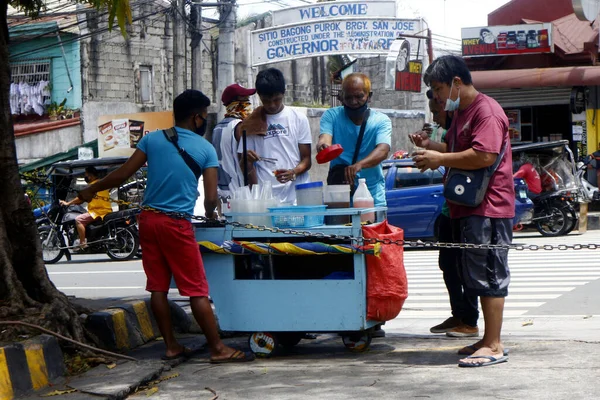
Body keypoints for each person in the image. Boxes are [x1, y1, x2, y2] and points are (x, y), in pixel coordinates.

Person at [79, 90, 254, 363]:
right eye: (204, 115)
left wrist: (93, 189)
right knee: (197, 289)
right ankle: (218, 349)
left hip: (147, 220)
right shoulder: (205, 148)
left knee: (158, 287)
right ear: (197, 117)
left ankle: (171, 346)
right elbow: (210, 198)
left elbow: (123, 174)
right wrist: (210, 213)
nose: (205, 119)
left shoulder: (152, 139)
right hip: (176, 224)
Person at [411, 55, 514, 367]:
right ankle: (486, 338)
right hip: (469, 207)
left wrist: (439, 160)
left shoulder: (487, 111)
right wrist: (432, 149)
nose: (437, 96)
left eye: (439, 88)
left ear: (456, 82)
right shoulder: (463, 114)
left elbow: (484, 156)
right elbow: (457, 151)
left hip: (489, 207)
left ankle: (494, 344)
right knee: (476, 276)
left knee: (490, 274)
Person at [419, 90, 480, 339]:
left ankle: (469, 320)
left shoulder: (461, 127)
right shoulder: (448, 131)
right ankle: (458, 313)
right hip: (449, 207)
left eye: (436, 111)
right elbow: (444, 150)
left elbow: (455, 153)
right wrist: (426, 147)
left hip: (464, 208)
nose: (435, 118)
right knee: (448, 264)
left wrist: (435, 153)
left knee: (464, 267)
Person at [317, 72, 391, 209]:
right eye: (348, 97)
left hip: (372, 196)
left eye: (359, 97)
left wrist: (359, 165)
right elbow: (325, 138)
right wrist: (323, 146)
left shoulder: (381, 120)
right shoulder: (331, 116)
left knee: (372, 230)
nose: (353, 102)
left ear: (369, 96)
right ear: (341, 97)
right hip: (339, 196)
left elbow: (383, 150)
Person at [240, 68, 312, 203]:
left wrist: (293, 172)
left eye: (276, 99)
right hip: (267, 198)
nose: (272, 105)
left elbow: (307, 159)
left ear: (283, 93)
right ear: (259, 97)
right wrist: (247, 160)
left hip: (296, 197)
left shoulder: (299, 118)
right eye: (266, 101)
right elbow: (244, 166)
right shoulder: (250, 124)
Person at [212, 83, 256, 203]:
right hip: (242, 197)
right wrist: (257, 195)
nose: (248, 105)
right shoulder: (239, 127)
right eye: (245, 101)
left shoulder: (217, 128)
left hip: (224, 195)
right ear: (235, 104)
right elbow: (247, 164)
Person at [59, 166, 113, 248]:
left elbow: (80, 198)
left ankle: (82, 243)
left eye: (86, 175)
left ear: (90, 176)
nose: (85, 177)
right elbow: (82, 199)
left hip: (98, 211)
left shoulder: (92, 186)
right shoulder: (100, 183)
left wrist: (67, 203)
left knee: (79, 220)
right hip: (105, 210)